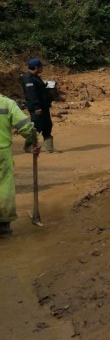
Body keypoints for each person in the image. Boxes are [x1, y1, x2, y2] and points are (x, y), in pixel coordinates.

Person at [0, 92, 38, 237]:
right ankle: (3, 225)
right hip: (2, 152)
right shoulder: (6, 103)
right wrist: (32, 141)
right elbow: (25, 126)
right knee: (4, 186)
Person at [21, 58, 55, 153]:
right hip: (37, 107)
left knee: (47, 125)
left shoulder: (36, 77)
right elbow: (31, 94)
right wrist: (36, 107)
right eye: (41, 66)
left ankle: (48, 147)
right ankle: (28, 146)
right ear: (36, 67)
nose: (42, 68)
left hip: (43, 106)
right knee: (37, 126)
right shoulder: (28, 78)